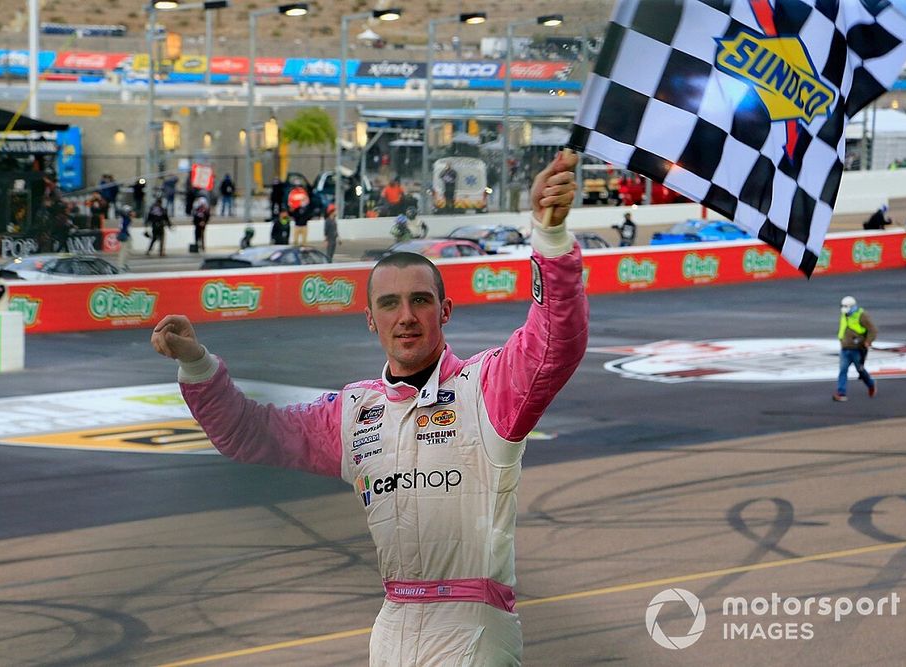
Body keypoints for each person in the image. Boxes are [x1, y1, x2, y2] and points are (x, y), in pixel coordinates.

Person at [150, 152, 586, 664]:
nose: (406, 317)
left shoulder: (485, 388)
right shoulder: (353, 411)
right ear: (370, 320)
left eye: (421, 301)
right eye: (389, 304)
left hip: (473, 629)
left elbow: (555, 342)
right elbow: (249, 432)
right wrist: (197, 364)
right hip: (392, 627)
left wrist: (550, 239)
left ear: (444, 310)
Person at [833, 295, 877, 402]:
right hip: (845, 348)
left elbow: (873, 330)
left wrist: (868, 341)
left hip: (858, 349)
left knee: (860, 370)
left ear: (852, 306)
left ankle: (871, 384)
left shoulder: (862, 315)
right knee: (843, 370)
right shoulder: (844, 314)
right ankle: (841, 393)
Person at [116, 205, 133, 270]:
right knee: (123, 250)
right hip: (124, 234)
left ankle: (124, 263)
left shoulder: (125, 218)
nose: (130, 213)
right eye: (129, 212)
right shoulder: (125, 218)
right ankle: (121, 265)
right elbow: (123, 227)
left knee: (128, 250)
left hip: (126, 234)